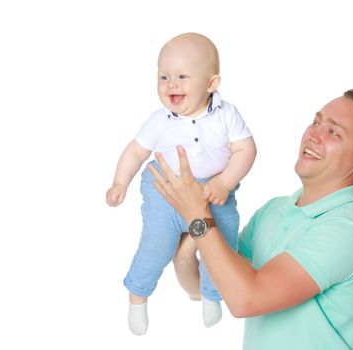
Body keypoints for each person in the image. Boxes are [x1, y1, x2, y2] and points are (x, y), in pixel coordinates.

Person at [150, 89, 353, 349]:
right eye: (316, 122)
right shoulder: (274, 210)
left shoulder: (348, 232)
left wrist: (198, 216)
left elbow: (246, 299)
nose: (313, 135)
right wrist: (186, 246)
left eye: (333, 132)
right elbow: (209, 287)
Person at [105, 32, 257, 335]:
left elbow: (246, 149)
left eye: (182, 76)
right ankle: (138, 297)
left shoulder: (227, 115)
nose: (171, 83)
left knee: (224, 246)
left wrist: (225, 182)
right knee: (155, 248)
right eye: (164, 76)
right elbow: (136, 151)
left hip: (214, 193)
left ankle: (212, 295)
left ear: (211, 84)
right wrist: (119, 182)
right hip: (164, 193)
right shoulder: (160, 120)